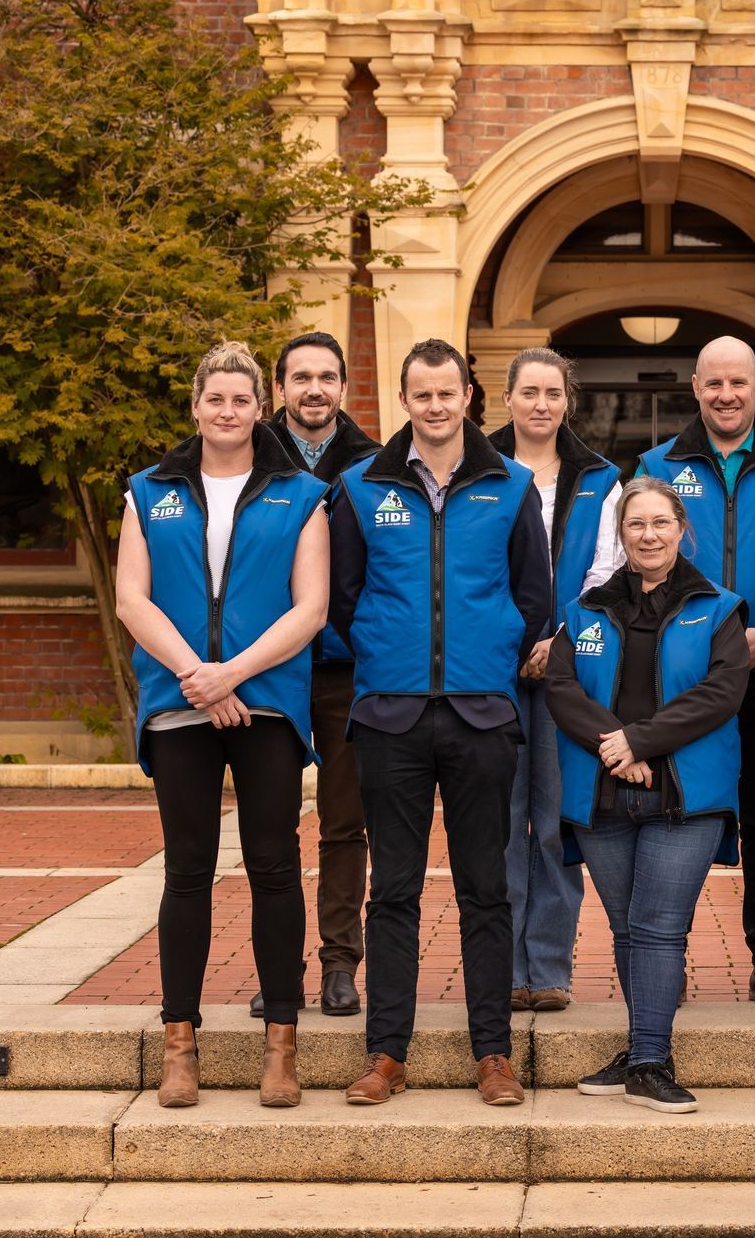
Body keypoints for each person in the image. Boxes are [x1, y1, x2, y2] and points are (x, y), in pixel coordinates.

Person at [329, 338, 554, 1107]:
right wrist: (385, 653)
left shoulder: (510, 483)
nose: (434, 406)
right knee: (392, 890)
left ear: (468, 397)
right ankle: (386, 1051)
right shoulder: (360, 487)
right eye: (420, 394)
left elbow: (535, 597)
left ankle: (492, 1052)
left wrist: (489, 654)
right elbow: (340, 598)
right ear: (404, 399)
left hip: (481, 714)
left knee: (486, 889)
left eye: (446, 393)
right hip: (389, 716)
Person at [114, 341, 330, 1110]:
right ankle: (181, 1045)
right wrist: (196, 681)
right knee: (188, 871)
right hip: (180, 705)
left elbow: (311, 607)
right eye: (216, 399)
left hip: (265, 703)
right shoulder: (150, 491)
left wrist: (230, 674)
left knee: (274, 867)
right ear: (196, 406)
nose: (229, 411)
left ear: (258, 408)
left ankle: (281, 1045)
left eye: (242, 400)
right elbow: (132, 601)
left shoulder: (300, 494)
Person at [545, 477, 749, 1114]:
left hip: (683, 798)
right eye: (636, 525)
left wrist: (640, 743)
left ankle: (651, 1062)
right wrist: (615, 747)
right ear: (621, 535)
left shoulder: (719, 609)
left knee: (659, 929)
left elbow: (720, 694)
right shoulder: (584, 612)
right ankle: (640, 1049)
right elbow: (561, 688)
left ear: (682, 530)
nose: (649, 535)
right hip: (604, 798)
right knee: (628, 931)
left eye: (661, 523)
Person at [637, 336, 755, 1008]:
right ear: (695, 386)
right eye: (713, 383)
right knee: (678, 816)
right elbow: (643, 560)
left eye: (737, 383)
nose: (725, 395)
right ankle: (669, 952)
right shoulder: (657, 464)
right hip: (686, 677)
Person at [488, 347, 624, 1013]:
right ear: (506, 398)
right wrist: (508, 642)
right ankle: (504, 965)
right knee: (501, 823)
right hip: (490, 670)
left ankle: (548, 966)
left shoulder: (600, 478)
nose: (541, 404)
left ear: (567, 401)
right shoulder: (476, 471)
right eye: (529, 392)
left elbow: (607, 575)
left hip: (569, 670)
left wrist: (560, 641)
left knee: (554, 819)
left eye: (553, 392)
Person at [256, 330, 381, 1021]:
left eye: (326, 376)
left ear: (342, 387)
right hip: (268, 665)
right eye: (300, 376)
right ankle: (278, 969)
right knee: (269, 826)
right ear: (280, 387)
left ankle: (340, 963)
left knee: (344, 823)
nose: (313, 388)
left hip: (343, 668)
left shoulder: (373, 463)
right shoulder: (245, 457)